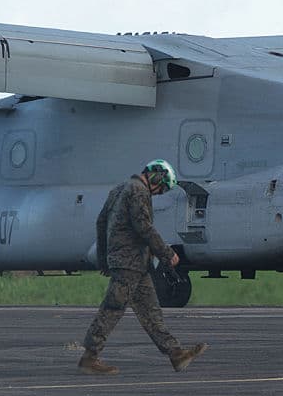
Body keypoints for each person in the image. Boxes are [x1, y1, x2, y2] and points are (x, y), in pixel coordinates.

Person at [78, 159, 208, 376]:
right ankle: (89, 358)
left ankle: (176, 354)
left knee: (151, 311)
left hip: (135, 264)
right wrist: (167, 253)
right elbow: (144, 227)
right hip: (129, 262)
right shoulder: (138, 192)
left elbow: (101, 222)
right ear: (156, 176)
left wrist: (104, 258)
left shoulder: (120, 189)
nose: (158, 193)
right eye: (161, 188)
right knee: (113, 309)